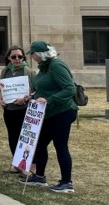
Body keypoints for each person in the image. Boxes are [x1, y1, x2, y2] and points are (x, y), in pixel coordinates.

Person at [21, 40, 78, 194]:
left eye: (32, 53)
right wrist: (31, 96)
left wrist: (50, 99)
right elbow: (43, 87)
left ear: (39, 54)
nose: (31, 56)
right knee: (39, 143)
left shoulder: (57, 65)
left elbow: (69, 89)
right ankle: (39, 177)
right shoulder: (44, 68)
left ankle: (67, 183)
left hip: (62, 112)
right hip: (47, 114)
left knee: (60, 146)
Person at [0, 45, 34, 173]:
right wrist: (0, 99)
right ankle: (16, 163)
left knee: (23, 138)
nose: (17, 59)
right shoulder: (5, 71)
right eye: (14, 57)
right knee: (12, 137)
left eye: (20, 56)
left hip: (23, 109)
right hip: (9, 110)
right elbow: (1, 89)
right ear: (9, 58)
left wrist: (25, 99)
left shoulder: (28, 71)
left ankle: (26, 165)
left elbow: (35, 91)